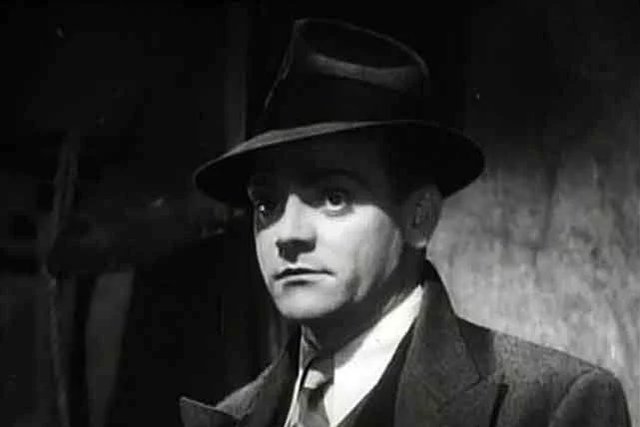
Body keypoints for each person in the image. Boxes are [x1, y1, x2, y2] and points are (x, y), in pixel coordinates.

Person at [180, 18, 631, 427]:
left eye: (334, 197)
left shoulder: (550, 406)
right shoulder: (233, 417)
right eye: (267, 205)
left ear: (419, 217)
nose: (289, 234)